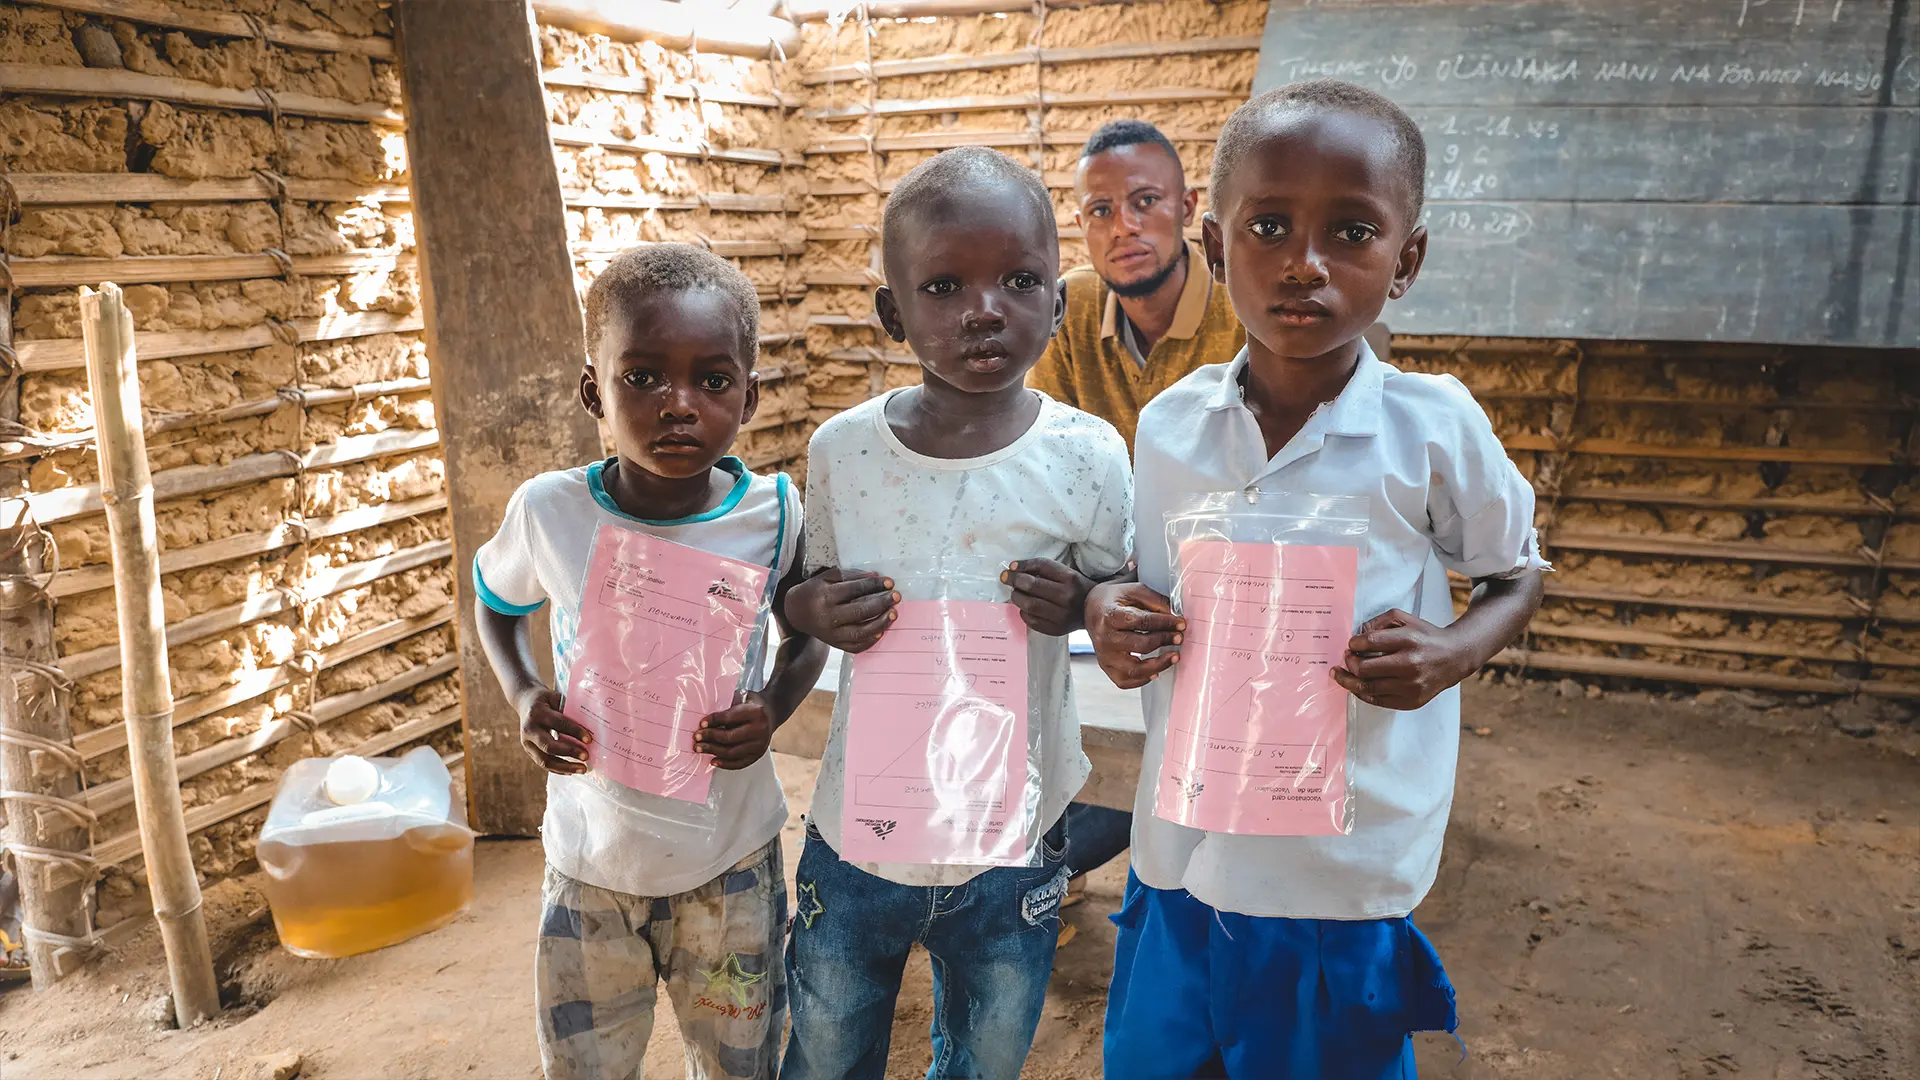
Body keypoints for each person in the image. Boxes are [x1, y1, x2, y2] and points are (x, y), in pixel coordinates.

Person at [1086, 80, 1549, 1078]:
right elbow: (1147, 585)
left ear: (1406, 260)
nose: (1306, 263)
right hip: (1180, 851)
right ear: (1214, 247)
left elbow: (1517, 574)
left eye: (1351, 231)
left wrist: (1453, 649)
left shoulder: (1431, 429)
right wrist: (1114, 613)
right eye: (1268, 226)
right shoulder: (1173, 426)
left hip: (1338, 872)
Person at [779, 147, 1134, 1080]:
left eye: (1020, 280)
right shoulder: (844, 452)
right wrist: (812, 606)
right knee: (823, 1048)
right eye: (945, 285)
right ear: (893, 315)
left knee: (987, 1052)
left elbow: (1125, 603)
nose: (986, 308)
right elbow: (802, 589)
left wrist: (1088, 602)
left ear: (1059, 301)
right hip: (861, 834)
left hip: (1010, 841)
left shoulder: (1089, 455)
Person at [472, 244, 826, 1080]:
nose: (678, 406)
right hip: (591, 859)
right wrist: (522, 693)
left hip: (729, 861)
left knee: (740, 1063)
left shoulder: (774, 513)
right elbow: (495, 599)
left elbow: (805, 631)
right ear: (594, 390)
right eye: (642, 378)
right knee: (586, 1065)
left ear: (749, 394)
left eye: (712, 380)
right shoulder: (550, 511)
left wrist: (773, 707)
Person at [1027, 118, 1249, 924]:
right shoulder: (1068, 311)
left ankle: (1100, 861)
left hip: (1224, 581)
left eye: (1145, 202)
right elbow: (1046, 454)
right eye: (1099, 210)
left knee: (1188, 757)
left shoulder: (1243, 311)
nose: (1123, 227)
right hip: (1106, 577)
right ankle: (1050, 851)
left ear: (1189, 207)